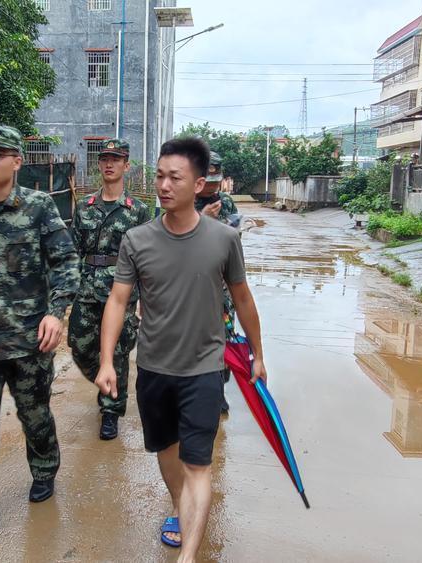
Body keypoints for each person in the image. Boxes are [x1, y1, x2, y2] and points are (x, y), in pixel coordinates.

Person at [95, 137, 267, 562]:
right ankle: (178, 507)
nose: (164, 185)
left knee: (198, 465)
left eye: (175, 177)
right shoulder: (136, 240)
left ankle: (188, 553)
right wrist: (106, 361)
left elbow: (243, 299)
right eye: (159, 176)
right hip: (154, 366)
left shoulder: (224, 239)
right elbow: (118, 301)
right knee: (167, 452)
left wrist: (257, 355)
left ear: (199, 183)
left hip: (204, 368)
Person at [0, 125, 79, 561]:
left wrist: (54, 312)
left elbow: (66, 262)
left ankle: (44, 468)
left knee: (34, 415)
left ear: (17, 161)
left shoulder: (39, 207)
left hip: (29, 341)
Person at [68, 138, 152, 440]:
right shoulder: (85, 208)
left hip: (122, 291)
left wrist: (145, 298)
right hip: (88, 288)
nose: (109, 163)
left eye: (116, 159)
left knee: (116, 352)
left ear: (126, 165)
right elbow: (72, 251)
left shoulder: (138, 211)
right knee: (79, 345)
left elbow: (147, 257)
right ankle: (106, 382)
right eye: (104, 158)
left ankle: (111, 410)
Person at [194, 152, 241, 413]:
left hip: (221, 285)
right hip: (192, 285)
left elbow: (235, 239)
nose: (211, 185)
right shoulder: (185, 203)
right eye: (207, 179)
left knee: (223, 338)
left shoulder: (227, 203)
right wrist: (203, 218)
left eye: (215, 180)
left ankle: (219, 391)